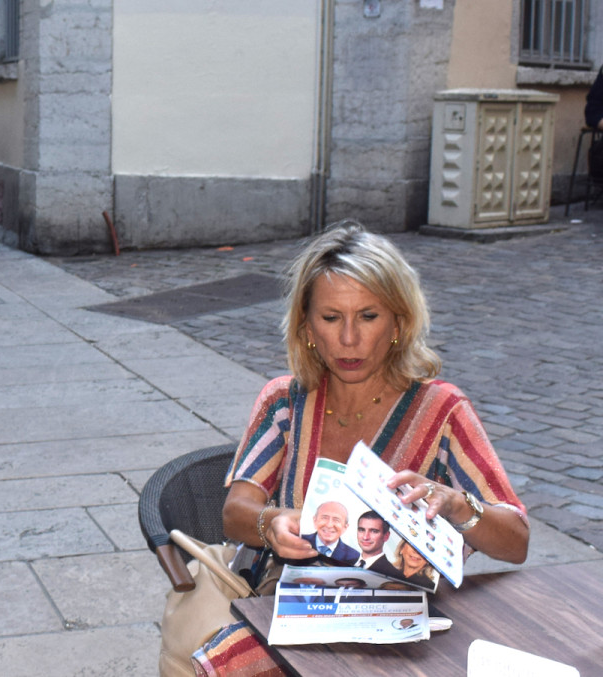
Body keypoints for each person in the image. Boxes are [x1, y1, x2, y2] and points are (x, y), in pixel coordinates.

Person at [189, 222, 528, 676]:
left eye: (368, 316)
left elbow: (516, 543)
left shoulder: (444, 410)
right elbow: (235, 513)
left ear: (398, 323)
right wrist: (273, 523)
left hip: (408, 623)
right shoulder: (285, 402)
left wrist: (456, 505)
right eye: (331, 319)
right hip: (292, 606)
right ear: (307, 326)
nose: (349, 339)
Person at [354, 510, 403, 578]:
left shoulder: (394, 575)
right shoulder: (346, 562)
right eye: (361, 530)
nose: (365, 537)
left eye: (374, 531)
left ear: (386, 536)